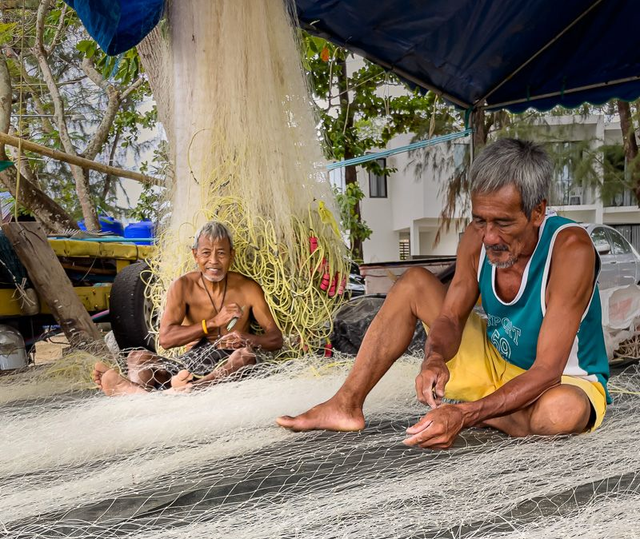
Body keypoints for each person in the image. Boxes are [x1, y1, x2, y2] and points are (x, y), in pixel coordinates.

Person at [276, 138, 610, 449]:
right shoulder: (475, 239)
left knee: (560, 413)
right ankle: (345, 404)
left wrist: (464, 415)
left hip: (559, 380)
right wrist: (434, 357)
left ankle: (481, 410)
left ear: (537, 212)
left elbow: (547, 370)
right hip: (495, 365)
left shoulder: (569, 249)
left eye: (503, 223)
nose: (490, 236)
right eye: (480, 219)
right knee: (414, 283)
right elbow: (450, 316)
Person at [93, 220, 283, 395]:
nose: (214, 261)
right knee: (137, 357)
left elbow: (275, 339)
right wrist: (212, 322)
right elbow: (166, 339)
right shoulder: (182, 286)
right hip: (189, 364)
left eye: (221, 253)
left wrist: (246, 338)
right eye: (206, 253)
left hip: (229, 363)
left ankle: (177, 392)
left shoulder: (248, 288)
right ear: (195, 255)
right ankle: (141, 392)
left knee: (246, 355)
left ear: (231, 255)